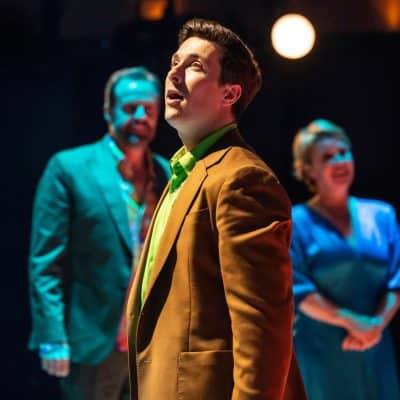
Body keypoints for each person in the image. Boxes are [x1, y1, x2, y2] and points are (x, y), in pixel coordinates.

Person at [126, 18, 306, 400]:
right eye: (174, 62)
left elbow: (263, 329)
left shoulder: (243, 179)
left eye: (194, 66)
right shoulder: (183, 173)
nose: (174, 73)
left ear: (230, 94)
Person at [28, 66, 171, 400]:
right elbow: (45, 263)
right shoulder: (70, 168)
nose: (140, 116)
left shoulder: (166, 173)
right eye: (130, 108)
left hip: (151, 343)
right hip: (94, 342)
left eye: (149, 109)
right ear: (108, 111)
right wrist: (52, 336)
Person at [290, 118, 400, 399]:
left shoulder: (382, 215)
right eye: (328, 157)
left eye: (343, 152)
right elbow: (298, 288)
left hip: (375, 346)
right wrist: (353, 322)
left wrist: (376, 325)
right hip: (323, 351)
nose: (340, 161)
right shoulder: (296, 222)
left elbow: (396, 280)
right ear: (308, 169)